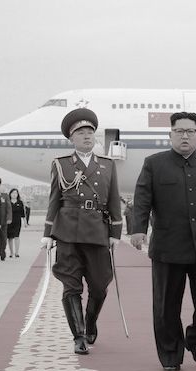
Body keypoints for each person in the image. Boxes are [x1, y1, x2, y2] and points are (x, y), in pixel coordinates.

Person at [131, 112, 196, 371]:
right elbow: (142, 198)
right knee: (166, 305)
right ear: (170, 135)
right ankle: (170, 354)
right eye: (179, 131)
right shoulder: (154, 164)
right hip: (169, 246)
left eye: (190, 131)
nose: (185, 135)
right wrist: (138, 229)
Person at [41, 108, 122, 356]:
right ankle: (78, 336)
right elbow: (55, 198)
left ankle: (90, 322)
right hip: (67, 231)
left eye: (90, 132)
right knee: (71, 285)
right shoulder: (61, 164)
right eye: (81, 132)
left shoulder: (107, 165)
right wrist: (47, 232)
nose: (87, 136)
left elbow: (113, 200)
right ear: (71, 138)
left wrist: (115, 232)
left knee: (99, 285)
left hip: (97, 231)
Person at [7, 188, 25, 257]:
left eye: (16, 193)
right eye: (13, 193)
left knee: (17, 237)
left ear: (17, 194)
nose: (14, 194)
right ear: (10, 194)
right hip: (9, 221)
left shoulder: (20, 202)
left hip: (17, 222)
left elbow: (23, 213)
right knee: (10, 238)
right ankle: (11, 252)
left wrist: (25, 222)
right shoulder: (8, 201)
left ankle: (16, 252)